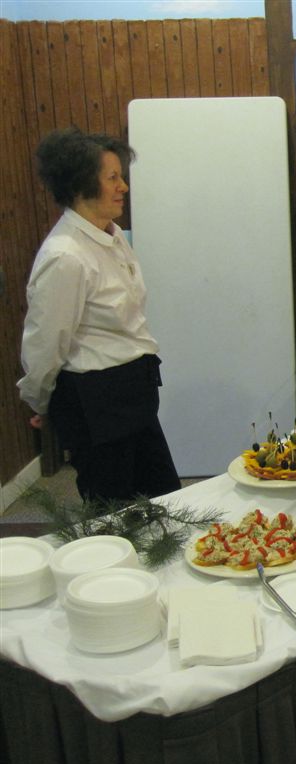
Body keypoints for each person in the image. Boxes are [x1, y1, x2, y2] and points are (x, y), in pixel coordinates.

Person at [18, 127, 180, 503]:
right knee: (113, 511)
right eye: (112, 178)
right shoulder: (65, 256)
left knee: (165, 501)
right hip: (95, 402)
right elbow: (46, 343)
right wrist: (41, 402)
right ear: (81, 185)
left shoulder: (113, 236)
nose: (123, 186)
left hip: (134, 390)